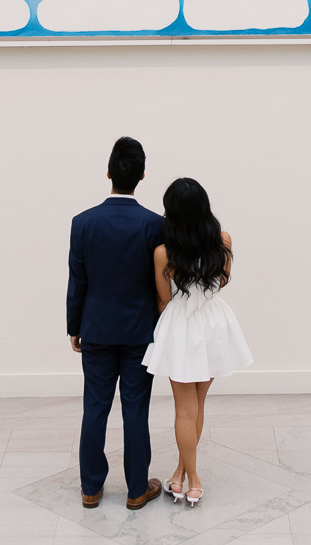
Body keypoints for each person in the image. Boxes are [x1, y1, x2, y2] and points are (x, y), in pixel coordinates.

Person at [65, 136, 166, 511]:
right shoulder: (154, 225)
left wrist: (74, 326)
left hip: (96, 330)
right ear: (142, 175)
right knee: (135, 411)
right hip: (141, 333)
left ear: (108, 172)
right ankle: (137, 489)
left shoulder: (83, 223)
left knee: (95, 407)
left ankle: (91, 488)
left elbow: (78, 281)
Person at [143, 177, 253, 507]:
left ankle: (192, 479)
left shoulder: (164, 253)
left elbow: (163, 301)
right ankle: (180, 473)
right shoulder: (223, 240)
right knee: (197, 407)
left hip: (181, 326)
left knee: (184, 410)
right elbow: (223, 280)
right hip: (214, 324)